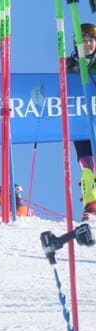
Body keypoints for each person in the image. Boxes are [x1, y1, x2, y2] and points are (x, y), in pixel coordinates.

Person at [67, 22, 96, 221]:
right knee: (87, 163)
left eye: (91, 40)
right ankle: (91, 204)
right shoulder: (69, 64)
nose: (87, 44)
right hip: (80, 122)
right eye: (83, 41)